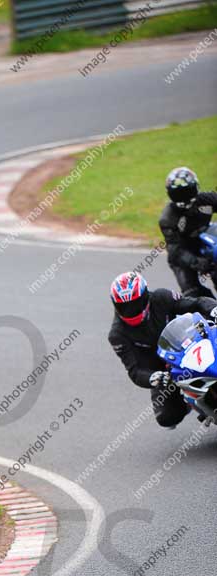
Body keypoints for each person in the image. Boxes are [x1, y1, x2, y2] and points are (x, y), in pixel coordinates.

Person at [108, 272, 217, 428]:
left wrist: (213, 309)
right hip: (165, 369)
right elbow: (135, 371)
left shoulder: (161, 297)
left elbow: (196, 303)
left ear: (145, 295)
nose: (131, 309)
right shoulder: (117, 335)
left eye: (135, 303)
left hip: (190, 342)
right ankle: (191, 403)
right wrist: (154, 377)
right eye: (124, 307)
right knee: (167, 417)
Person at [159, 167, 217, 298]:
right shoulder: (168, 218)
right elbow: (175, 251)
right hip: (183, 254)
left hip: (205, 242)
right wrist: (197, 262)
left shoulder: (205, 200)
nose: (184, 197)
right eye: (179, 194)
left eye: (187, 191)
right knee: (194, 294)